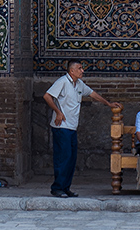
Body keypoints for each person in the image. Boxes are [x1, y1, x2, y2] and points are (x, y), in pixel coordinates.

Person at [42, 61, 113, 198]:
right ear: (71, 71)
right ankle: (57, 188)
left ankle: (66, 187)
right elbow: (47, 96)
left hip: (72, 127)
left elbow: (92, 94)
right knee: (63, 158)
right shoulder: (62, 82)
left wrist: (108, 104)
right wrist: (58, 112)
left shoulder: (79, 84)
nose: (82, 71)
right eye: (79, 68)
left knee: (71, 158)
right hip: (61, 126)